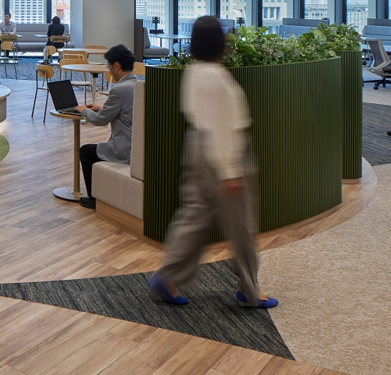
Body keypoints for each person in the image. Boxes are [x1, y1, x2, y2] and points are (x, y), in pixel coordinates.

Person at [147, 16, 277, 309]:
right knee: (240, 224)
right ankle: (249, 290)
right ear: (221, 43)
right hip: (224, 152)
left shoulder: (194, 72)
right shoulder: (216, 77)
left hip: (197, 146)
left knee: (194, 217)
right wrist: (230, 171)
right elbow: (223, 126)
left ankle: (168, 275)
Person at [74, 44, 139, 210]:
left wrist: (83, 111)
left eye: (109, 67)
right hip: (137, 146)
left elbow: (100, 121)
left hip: (125, 149)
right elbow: (126, 112)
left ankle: (94, 198)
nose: (109, 71)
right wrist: (101, 108)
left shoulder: (119, 90)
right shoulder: (138, 85)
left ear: (116, 65)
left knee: (86, 151)